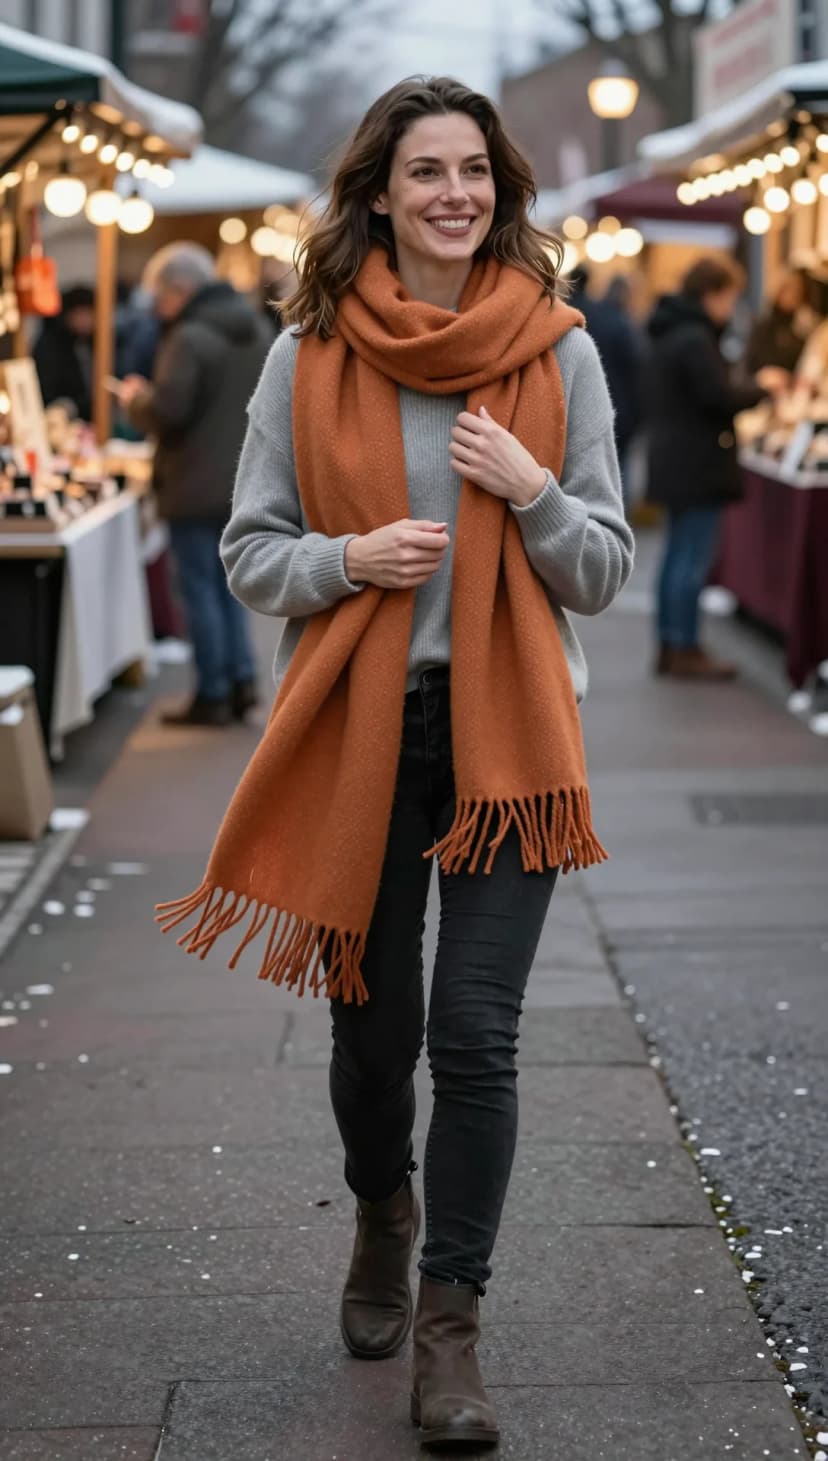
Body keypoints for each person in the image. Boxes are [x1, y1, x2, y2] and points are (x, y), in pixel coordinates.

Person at [157, 76, 632, 1448]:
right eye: (426, 172)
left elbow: (601, 570)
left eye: (473, 172)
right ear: (378, 193)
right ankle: (382, 1204)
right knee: (379, 1039)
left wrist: (531, 493)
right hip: (366, 726)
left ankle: (450, 1330)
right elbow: (249, 552)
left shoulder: (558, 352)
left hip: (512, 738)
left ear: (502, 190)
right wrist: (348, 560)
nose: (453, 195)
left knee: (478, 1039)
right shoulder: (307, 356)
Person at [119, 243, 271, 726]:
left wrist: (136, 401)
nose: (158, 307)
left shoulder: (190, 338)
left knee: (200, 589)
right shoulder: (257, 327)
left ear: (181, 289)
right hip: (245, 478)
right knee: (231, 587)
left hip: (193, 481)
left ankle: (211, 690)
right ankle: (242, 680)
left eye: (161, 296)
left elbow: (169, 411)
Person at [644, 257, 785, 680]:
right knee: (690, 558)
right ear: (713, 293)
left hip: (676, 459)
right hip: (697, 463)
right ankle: (683, 644)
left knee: (677, 556)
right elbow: (718, 397)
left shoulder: (672, 332)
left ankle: (672, 642)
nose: (731, 306)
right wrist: (763, 388)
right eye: (729, 297)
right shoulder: (693, 339)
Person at [568, 265, 641, 509]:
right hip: (618, 405)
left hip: (575, 404)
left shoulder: (570, 316)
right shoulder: (613, 320)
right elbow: (633, 368)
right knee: (615, 473)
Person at [33, 285, 95, 420]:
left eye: (89, 313)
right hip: (57, 417)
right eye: (81, 313)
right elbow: (46, 389)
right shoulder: (50, 345)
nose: (86, 320)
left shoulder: (94, 343)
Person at [745, 270, 810, 375]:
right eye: (790, 290)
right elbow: (752, 363)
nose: (794, 296)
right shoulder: (764, 324)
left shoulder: (800, 326)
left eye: (798, 292)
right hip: (765, 383)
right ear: (780, 291)